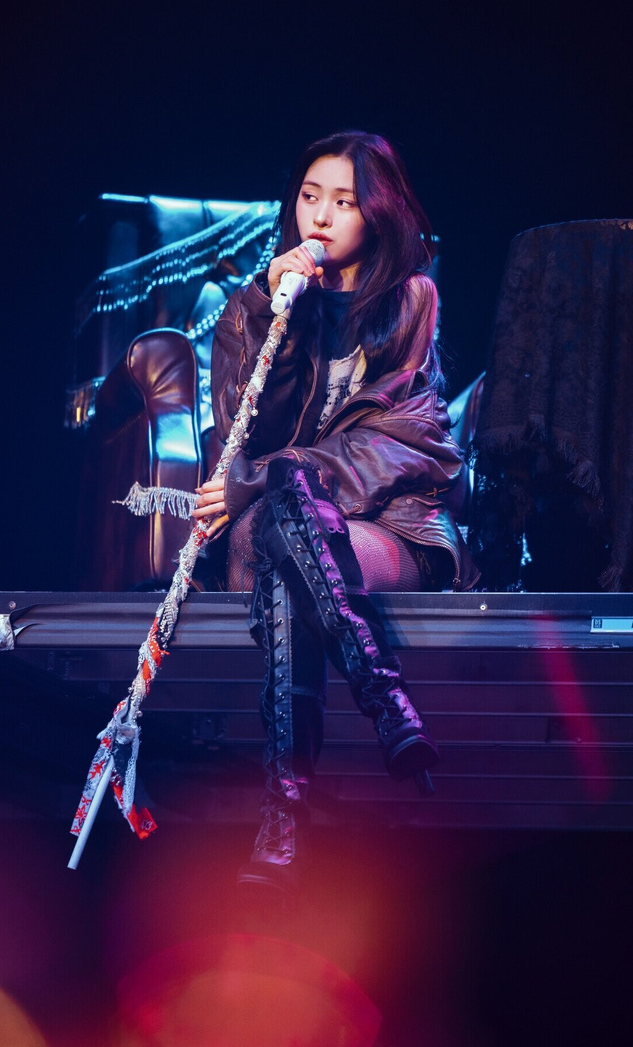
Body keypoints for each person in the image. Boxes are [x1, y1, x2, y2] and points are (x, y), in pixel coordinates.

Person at [192, 131, 479, 897]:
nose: (319, 216)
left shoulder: (411, 301)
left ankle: (282, 812)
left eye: (344, 201)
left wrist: (269, 476)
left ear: (376, 213)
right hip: (278, 531)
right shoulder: (251, 309)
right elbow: (242, 434)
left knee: (288, 500)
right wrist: (275, 318)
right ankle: (384, 697)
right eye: (309, 196)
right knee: (285, 517)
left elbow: (399, 444)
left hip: (387, 524)